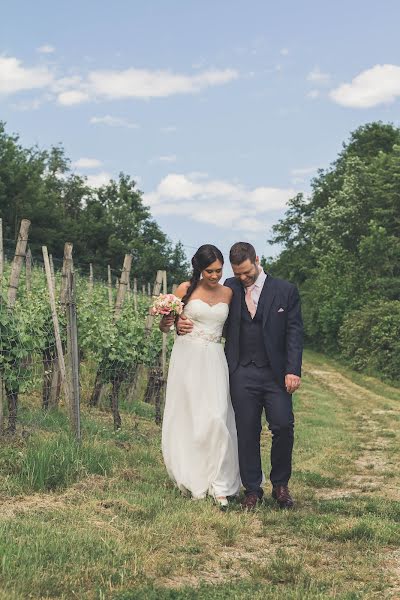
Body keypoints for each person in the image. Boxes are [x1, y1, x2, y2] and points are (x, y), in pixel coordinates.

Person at [178, 242, 303, 510]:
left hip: (276, 373)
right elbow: (195, 302)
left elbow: (294, 332)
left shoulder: (285, 290)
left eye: (247, 273)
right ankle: (252, 489)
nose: (243, 278)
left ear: (257, 260)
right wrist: (178, 321)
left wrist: (293, 370)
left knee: (282, 425)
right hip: (241, 370)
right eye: (238, 274)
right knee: (246, 430)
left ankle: (280, 485)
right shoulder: (230, 288)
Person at [159, 244, 240, 508]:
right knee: (190, 415)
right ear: (199, 268)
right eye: (210, 271)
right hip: (188, 357)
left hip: (215, 358)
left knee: (217, 416)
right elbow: (167, 325)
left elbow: (233, 328)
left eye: (219, 270)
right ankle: (194, 475)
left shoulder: (229, 293)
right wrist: (173, 324)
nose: (215, 276)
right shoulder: (185, 289)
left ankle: (219, 482)